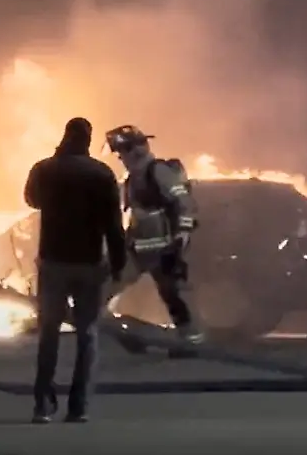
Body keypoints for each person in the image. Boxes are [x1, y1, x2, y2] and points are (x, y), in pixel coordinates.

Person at [24, 117, 126, 424]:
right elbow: (113, 225)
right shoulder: (102, 173)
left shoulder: (44, 169)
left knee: (49, 333)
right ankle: (78, 407)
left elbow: (31, 200)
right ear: (88, 140)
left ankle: (43, 405)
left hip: (53, 262)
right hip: (89, 263)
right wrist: (118, 263)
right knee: (87, 334)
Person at [104, 125, 203, 344]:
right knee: (109, 284)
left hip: (164, 250)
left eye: (122, 153)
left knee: (173, 297)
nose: (121, 159)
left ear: (133, 151)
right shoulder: (133, 178)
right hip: (138, 249)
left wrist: (183, 233)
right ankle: (109, 328)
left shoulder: (158, 171)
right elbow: (136, 215)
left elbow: (184, 202)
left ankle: (192, 341)